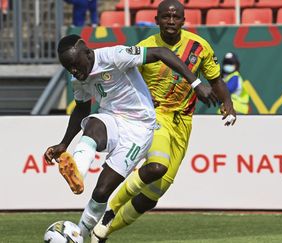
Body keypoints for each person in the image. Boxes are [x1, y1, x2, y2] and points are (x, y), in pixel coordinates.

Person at [44, 34, 218, 238]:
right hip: (111, 118)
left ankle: (81, 234)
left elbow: (162, 52)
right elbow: (81, 109)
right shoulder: (78, 79)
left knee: (101, 192)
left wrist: (197, 84)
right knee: (92, 123)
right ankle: (78, 173)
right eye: (68, 68)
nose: (73, 71)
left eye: (75, 64)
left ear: (88, 54)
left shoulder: (114, 56)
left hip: (139, 128)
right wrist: (64, 144)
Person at [91, 0, 236, 241]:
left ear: (183, 20)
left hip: (183, 122)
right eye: (166, 17)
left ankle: (103, 232)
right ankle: (110, 210)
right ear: (156, 20)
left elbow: (216, 80)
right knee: (158, 166)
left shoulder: (199, 47)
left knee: (152, 196)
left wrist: (228, 105)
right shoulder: (145, 48)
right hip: (154, 117)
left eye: (176, 17)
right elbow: (126, 83)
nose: (171, 21)